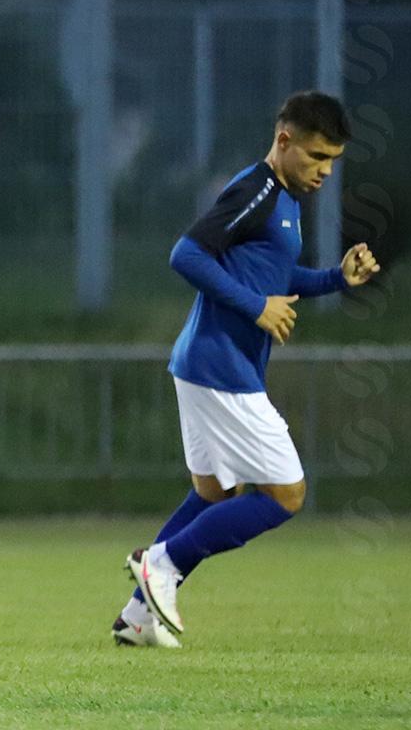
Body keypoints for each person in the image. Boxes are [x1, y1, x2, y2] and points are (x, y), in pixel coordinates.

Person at [114, 91, 380, 647]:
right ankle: (161, 562)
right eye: (316, 157)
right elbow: (186, 254)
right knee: (286, 494)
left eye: (332, 160)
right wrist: (256, 308)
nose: (326, 171)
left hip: (204, 363)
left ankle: (139, 617)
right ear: (284, 142)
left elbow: (276, 278)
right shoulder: (258, 189)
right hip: (222, 367)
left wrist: (336, 278)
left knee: (213, 492)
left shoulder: (283, 201)